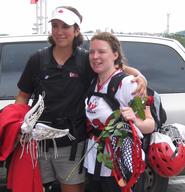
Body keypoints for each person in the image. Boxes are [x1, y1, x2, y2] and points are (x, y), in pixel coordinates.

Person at [15, 6, 147, 192]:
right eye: (55, 26)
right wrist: (18, 125)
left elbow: (115, 67)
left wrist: (140, 76)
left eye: (65, 26)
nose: (59, 32)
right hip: (37, 144)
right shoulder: (37, 59)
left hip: (72, 146)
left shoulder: (87, 60)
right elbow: (22, 96)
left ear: (76, 30)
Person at [83, 32, 155, 192]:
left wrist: (135, 120)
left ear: (115, 54)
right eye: (92, 52)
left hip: (120, 169)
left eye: (101, 51)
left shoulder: (129, 84)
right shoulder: (93, 82)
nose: (95, 56)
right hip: (94, 163)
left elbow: (150, 124)